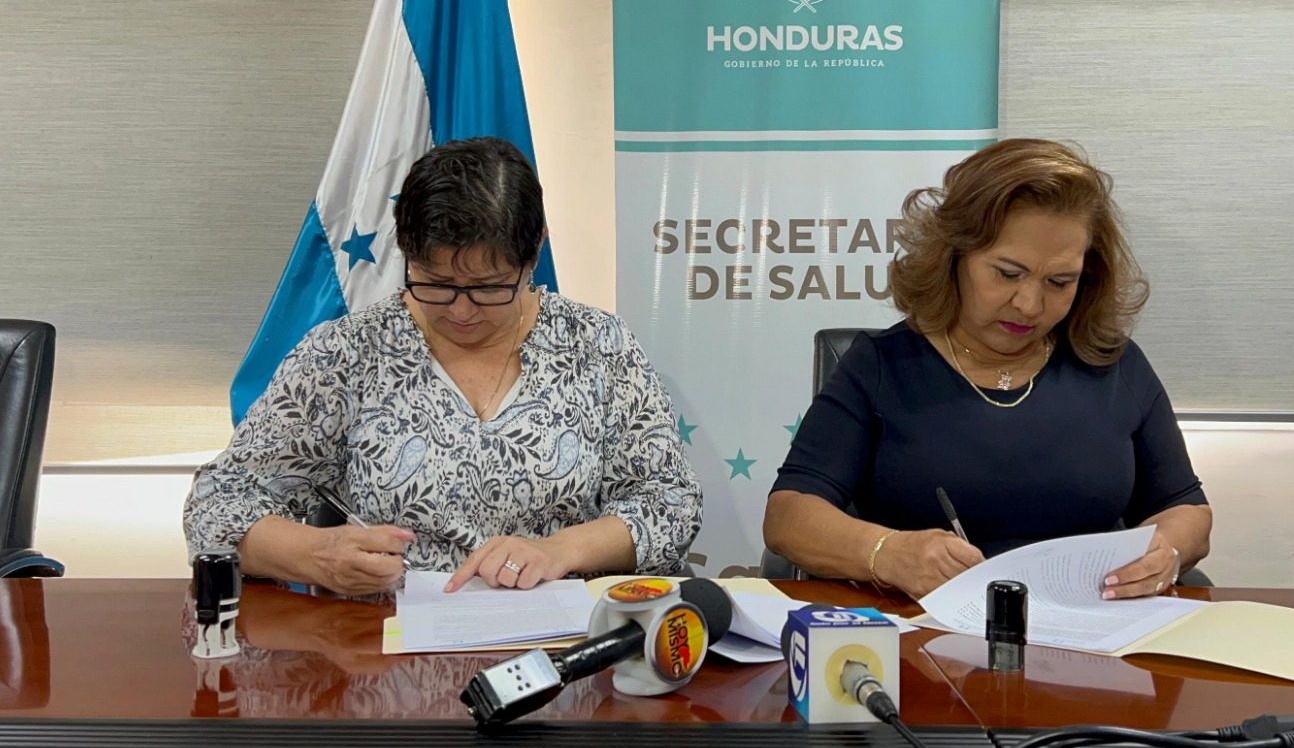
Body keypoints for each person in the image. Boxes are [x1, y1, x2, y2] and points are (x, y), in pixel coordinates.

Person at [184, 138, 702, 595]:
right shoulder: (347, 354)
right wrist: (317, 554)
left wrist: (561, 550)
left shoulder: (596, 344)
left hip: (559, 644)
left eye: (489, 287)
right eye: (434, 283)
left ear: (535, 249)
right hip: (382, 645)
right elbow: (216, 505)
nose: (461, 310)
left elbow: (670, 503)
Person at [764, 138, 1211, 602]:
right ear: (954, 255)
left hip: (1094, 625)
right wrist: (887, 552)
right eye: (1008, 273)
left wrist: (1166, 551)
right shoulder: (881, 366)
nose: (1029, 304)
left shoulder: (1114, 365)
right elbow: (788, 516)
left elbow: (1186, 508)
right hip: (923, 627)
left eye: (1059, 282)